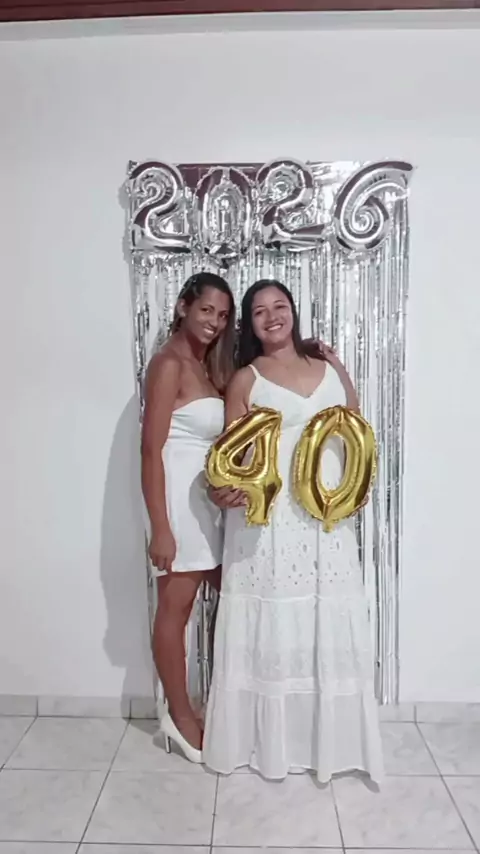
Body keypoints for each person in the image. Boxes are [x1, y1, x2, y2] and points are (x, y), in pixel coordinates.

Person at [203, 279, 383, 784]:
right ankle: (267, 746)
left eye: (279, 306)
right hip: (270, 525)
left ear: (293, 311)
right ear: (250, 324)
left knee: (324, 617)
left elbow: (354, 424)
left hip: (325, 517)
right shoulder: (247, 379)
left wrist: (354, 486)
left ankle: (329, 745)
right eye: (260, 311)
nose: (272, 316)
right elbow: (231, 454)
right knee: (276, 622)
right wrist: (221, 489)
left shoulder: (328, 366)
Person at [141, 271, 235, 764]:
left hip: (206, 506)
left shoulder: (204, 366)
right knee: (175, 610)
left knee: (231, 597)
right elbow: (150, 451)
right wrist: (161, 527)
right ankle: (178, 717)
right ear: (183, 307)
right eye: (206, 310)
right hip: (177, 503)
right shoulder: (168, 364)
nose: (214, 322)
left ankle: (211, 704)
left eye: (222, 315)